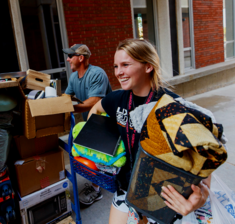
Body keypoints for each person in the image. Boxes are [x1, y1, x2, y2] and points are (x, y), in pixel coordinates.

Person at [88, 39, 210, 224]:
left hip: (161, 196)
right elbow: (95, 109)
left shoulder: (171, 105)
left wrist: (203, 193)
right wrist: (104, 140)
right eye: (115, 66)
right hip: (126, 189)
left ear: (148, 67)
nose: (118, 72)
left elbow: (202, 152)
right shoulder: (116, 98)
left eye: (125, 65)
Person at [62, 44, 112, 206]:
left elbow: (94, 101)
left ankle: (97, 191)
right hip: (90, 121)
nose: (68, 59)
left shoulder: (97, 74)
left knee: (98, 156)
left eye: (71, 55)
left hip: (106, 120)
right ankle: (99, 183)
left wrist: (69, 107)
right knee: (91, 155)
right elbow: (66, 96)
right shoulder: (74, 77)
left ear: (81, 58)